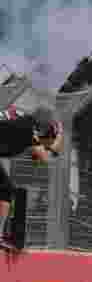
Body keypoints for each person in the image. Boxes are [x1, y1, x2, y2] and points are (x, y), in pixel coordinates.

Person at [0, 106, 63, 250]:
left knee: (5, 189)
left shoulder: (24, 123)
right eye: (49, 139)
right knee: (5, 190)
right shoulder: (29, 129)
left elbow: (37, 157)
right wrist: (59, 136)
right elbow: (46, 158)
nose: (47, 144)